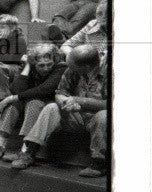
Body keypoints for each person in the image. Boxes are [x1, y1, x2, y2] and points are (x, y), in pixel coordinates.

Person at [10, 44, 108, 177]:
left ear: (87, 67)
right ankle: (29, 151)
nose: (70, 70)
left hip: (97, 118)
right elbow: (60, 92)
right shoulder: (72, 69)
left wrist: (79, 101)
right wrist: (65, 101)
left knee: (104, 116)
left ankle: (99, 162)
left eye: (74, 68)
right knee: (51, 107)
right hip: (75, 115)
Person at [0, 43, 67, 161]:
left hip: (50, 106)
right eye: (41, 65)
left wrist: (11, 98)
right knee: (14, 104)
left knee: (32, 102)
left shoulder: (61, 67)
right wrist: (28, 67)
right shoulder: (31, 68)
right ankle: (0, 145)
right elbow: (17, 89)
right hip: (31, 100)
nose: (46, 68)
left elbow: (45, 89)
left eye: (49, 64)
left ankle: (25, 149)